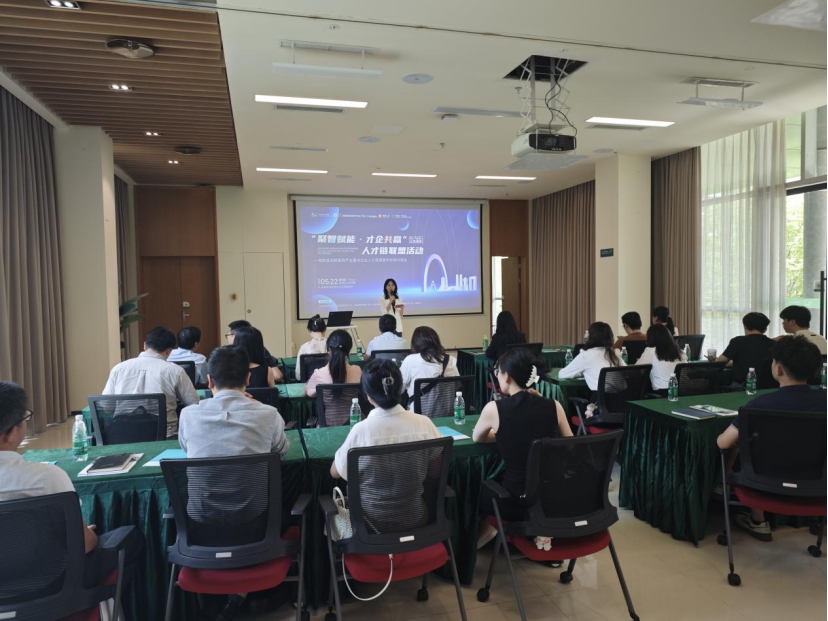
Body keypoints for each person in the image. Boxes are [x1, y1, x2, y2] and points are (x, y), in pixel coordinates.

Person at [0, 381, 143, 595]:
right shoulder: (46, 477)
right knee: (130, 538)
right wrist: (87, 534)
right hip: (53, 585)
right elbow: (84, 544)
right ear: (11, 433)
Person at [717, 337, 826, 541]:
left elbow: (723, 442)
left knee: (744, 447)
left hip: (762, 482)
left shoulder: (759, 404)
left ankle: (758, 520)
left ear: (778, 369)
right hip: (818, 483)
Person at [330, 359, 443, 533]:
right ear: (400, 388)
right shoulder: (424, 423)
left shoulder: (361, 430)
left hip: (368, 526)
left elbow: (335, 472)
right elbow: (435, 472)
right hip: (416, 520)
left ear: (368, 396)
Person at [473, 349, 572, 524]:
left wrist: (505, 433)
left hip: (515, 500)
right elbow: (570, 443)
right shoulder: (554, 405)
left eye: (498, 372)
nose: (497, 376)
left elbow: (478, 438)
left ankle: (493, 531)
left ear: (507, 376)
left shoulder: (494, 408)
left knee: (481, 491)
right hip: (552, 497)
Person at [179, 346, 289, 458]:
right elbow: (281, 450)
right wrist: (258, 405)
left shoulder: (187, 416)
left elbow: (187, 449)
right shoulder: (270, 415)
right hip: (253, 471)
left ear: (210, 381)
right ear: (247, 379)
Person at [102, 326, 198, 437]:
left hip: (122, 436)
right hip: (162, 437)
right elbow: (194, 404)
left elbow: (106, 406)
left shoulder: (118, 369)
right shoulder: (175, 371)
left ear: (145, 345)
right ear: (169, 351)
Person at [708, 312, 775, 385]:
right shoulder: (774, 344)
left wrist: (715, 361)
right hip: (769, 386)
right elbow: (753, 362)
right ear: (765, 329)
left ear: (745, 327)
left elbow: (720, 363)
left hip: (743, 386)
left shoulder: (738, 341)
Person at [400, 326, 459, 407]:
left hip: (417, 414)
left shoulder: (410, 360)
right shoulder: (451, 360)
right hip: (448, 413)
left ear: (416, 343)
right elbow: (457, 388)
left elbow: (399, 389)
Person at [558, 322, 625, 391]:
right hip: (623, 396)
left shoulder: (586, 355)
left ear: (590, 337)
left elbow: (562, 374)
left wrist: (580, 373)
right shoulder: (614, 354)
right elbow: (627, 370)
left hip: (600, 396)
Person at [305, 329, 363, 398]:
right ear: (349, 350)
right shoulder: (357, 371)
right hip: (353, 405)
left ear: (329, 349)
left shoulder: (319, 374)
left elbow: (307, 393)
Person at [636, 324, 686, 394]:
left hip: (662, 392)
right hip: (681, 391)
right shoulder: (681, 352)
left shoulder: (651, 351)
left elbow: (636, 369)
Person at [295, 314, 327, 381]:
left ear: (309, 330)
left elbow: (299, 375)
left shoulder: (304, 348)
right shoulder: (332, 346)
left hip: (310, 384)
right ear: (325, 329)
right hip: (331, 384)